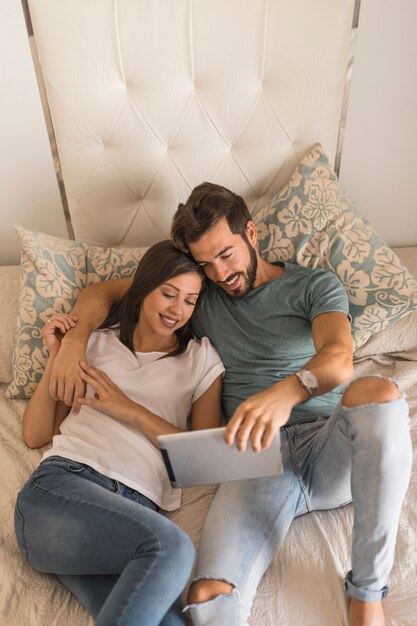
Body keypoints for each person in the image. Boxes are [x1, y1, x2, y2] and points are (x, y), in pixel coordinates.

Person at [47, 184, 412, 626]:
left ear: (251, 233)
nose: (219, 273)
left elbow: (339, 359)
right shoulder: (198, 295)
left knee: (377, 393)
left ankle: (367, 591)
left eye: (226, 254)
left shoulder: (313, 284)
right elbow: (102, 292)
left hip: (327, 443)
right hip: (251, 461)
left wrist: (288, 392)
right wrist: (74, 344)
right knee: (206, 599)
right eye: (205, 263)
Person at [14, 240, 224, 626]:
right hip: (61, 491)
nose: (178, 310)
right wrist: (58, 356)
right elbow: (34, 433)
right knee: (172, 548)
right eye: (169, 294)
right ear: (142, 288)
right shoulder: (95, 343)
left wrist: (131, 410)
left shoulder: (201, 359)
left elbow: (205, 460)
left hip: (132, 518)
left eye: (191, 300)